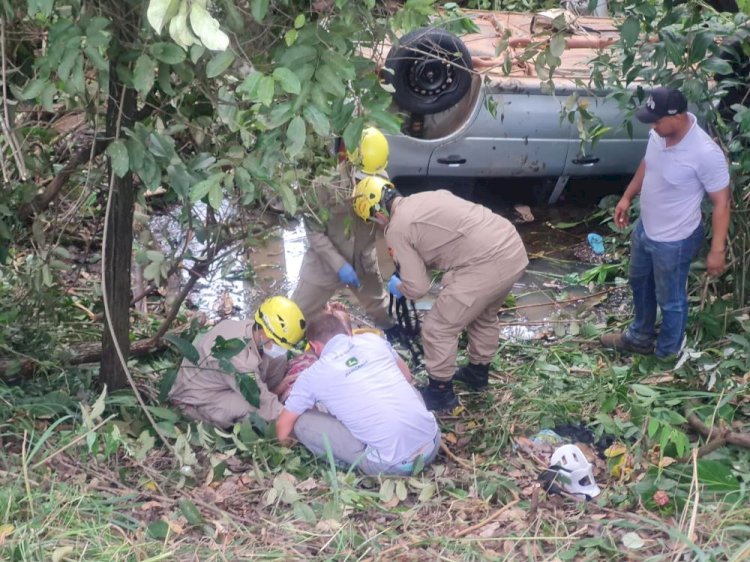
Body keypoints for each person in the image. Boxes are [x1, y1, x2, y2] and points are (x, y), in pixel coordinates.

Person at [352, 177, 529, 411]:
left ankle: (440, 393)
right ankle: (478, 373)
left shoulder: (396, 228)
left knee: (438, 327)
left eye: (373, 218)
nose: (377, 222)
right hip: (512, 247)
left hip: (486, 263)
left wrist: (400, 287)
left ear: (377, 211)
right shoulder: (427, 196)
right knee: (483, 315)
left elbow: (418, 287)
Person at [601, 86, 731, 359]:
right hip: (646, 228)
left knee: (670, 300)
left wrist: (717, 250)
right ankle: (640, 337)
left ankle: (667, 352)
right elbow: (649, 163)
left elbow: (722, 203)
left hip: (675, 240)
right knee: (639, 282)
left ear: (680, 116)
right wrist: (627, 196)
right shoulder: (660, 134)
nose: (653, 126)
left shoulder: (705, 153)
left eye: (658, 120)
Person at [275, 311, 441, 476]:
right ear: (348, 332)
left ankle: (348, 463)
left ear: (315, 346)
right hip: (432, 443)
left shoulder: (313, 374)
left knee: (301, 423)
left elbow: (283, 429)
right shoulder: (374, 340)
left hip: (393, 467)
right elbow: (406, 376)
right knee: (403, 388)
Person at [292, 127, 399, 339]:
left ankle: (397, 338)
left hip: (363, 263)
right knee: (296, 319)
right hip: (324, 265)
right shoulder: (324, 184)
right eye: (361, 176)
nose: (367, 180)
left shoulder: (382, 181)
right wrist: (339, 265)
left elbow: (391, 225)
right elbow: (313, 232)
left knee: (383, 311)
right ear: (350, 162)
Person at [168, 296, 306, 427]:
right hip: (197, 399)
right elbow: (257, 400)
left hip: (222, 381)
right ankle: (270, 405)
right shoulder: (239, 360)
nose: (281, 349)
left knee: (279, 358)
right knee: (250, 407)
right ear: (264, 333)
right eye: (278, 344)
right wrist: (289, 420)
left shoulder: (251, 327)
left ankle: (271, 395)